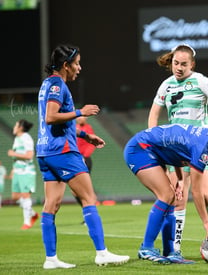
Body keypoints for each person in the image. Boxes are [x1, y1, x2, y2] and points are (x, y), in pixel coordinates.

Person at [36, 44, 129, 269]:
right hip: (63, 152)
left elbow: (56, 122)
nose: (79, 67)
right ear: (65, 65)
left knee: (51, 205)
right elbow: (51, 117)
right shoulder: (58, 84)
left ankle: (51, 259)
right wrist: (81, 112)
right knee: (89, 198)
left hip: (45, 152)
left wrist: (85, 135)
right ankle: (102, 253)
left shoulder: (47, 83)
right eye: (76, 63)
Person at [123, 121, 208, 264]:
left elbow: (176, 149)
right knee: (167, 195)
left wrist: (180, 179)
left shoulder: (206, 138)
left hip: (149, 150)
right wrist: (206, 223)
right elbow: (196, 191)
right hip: (140, 149)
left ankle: (170, 252)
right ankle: (146, 248)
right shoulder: (202, 148)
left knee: (173, 199)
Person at [147, 44, 208, 261]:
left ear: (192, 64)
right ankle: (176, 248)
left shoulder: (201, 80)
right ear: (171, 62)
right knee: (178, 198)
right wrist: (156, 139)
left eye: (184, 64)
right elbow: (153, 115)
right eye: (176, 63)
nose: (179, 68)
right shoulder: (166, 86)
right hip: (176, 150)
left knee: (205, 195)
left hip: (201, 147)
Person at [7, 119, 39, 229]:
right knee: (15, 197)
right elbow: (18, 158)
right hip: (17, 170)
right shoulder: (17, 139)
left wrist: (13, 153)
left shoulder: (26, 138)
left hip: (26, 171)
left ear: (20, 127)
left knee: (25, 196)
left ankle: (27, 222)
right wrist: (13, 169)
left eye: (16, 125)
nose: (14, 127)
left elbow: (29, 155)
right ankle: (33, 214)